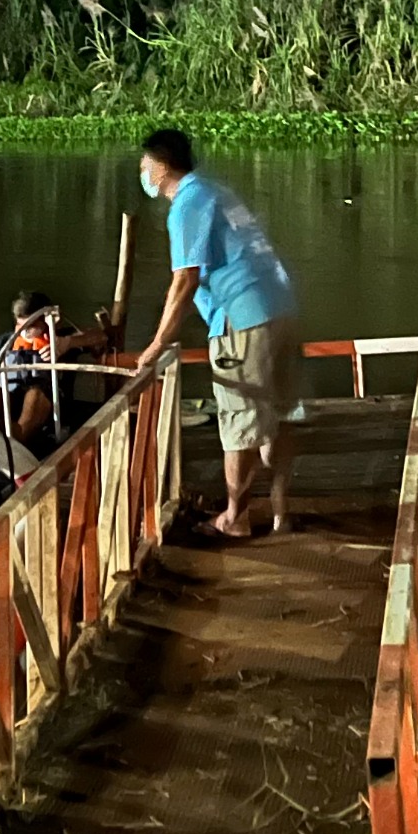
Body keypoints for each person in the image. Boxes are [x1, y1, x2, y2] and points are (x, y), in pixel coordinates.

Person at [132, 127, 304, 538]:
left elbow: (186, 280)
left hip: (242, 316)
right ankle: (281, 514)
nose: (142, 170)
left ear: (161, 165)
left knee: (238, 419)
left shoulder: (187, 205)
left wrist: (157, 343)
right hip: (280, 307)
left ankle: (235, 517)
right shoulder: (216, 191)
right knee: (278, 415)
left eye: (144, 164)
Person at [0, 289, 103, 446]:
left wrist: (69, 343)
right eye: (19, 325)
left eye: (30, 326)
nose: (23, 332)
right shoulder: (7, 341)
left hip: (50, 406)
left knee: (35, 393)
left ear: (47, 321)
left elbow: (100, 336)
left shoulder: (61, 338)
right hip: (9, 401)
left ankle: (17, 438)